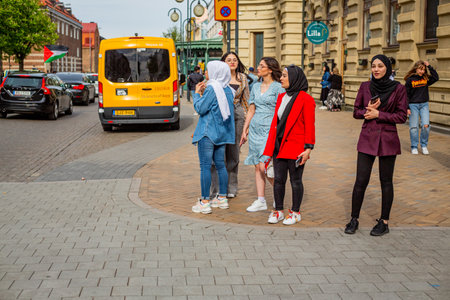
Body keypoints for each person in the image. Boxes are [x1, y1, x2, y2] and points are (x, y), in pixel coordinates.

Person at [345, 54, 408, 236]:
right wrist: (368, 110)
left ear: (387, 68)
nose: (376, 69)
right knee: (360, 181)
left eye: (380, 66)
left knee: (386, 182)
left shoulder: (398, 89)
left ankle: (384, 222)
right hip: (367, 138)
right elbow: (356, 112)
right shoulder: (366, 86)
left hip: (388, 140)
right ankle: (354, 219)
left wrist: (379, 114)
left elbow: (401, 116)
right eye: (373, 66)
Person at [262, 65, 315, 225]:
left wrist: (308, 148)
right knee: (278, 180)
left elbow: (309, 125)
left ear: (294, 78)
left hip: (297, 147)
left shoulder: (306, 99)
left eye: (285, 76)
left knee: (295, 181)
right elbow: (276, 124)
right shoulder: (281, 97)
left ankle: (295, 212)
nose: (281, 78)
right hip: (279, 146)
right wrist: (270, 147)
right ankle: (278, 211)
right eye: (282, 75)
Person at [240, 57, 284, 212]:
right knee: (257, 166)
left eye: (262, 65)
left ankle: (279, 195)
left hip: (269, 130)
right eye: (259, 65)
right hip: (255, 130)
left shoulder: (279, 88)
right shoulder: (256, 86)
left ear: (270, 69)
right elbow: (251, 109)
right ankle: (261, 200)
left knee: (265, 166)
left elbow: (282, 111)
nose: (258, 68)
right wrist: (245, 130)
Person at [191, 61, 235, 214]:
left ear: (215, 72)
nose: (205, 73)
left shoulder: (212, 88)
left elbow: (201, 108)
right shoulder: (228, 90)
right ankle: (222, 198)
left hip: (207, 132)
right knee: (221, 165)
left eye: (208, 70)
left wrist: (196, 94)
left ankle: (204, 202)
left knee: (205, 166)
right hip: (221, 133)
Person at [210, 52, 249, 202]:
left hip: (237, 116)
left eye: (235, 60)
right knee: (219, 153)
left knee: (234, 153)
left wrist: (246, 126)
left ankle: (232, 187)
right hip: (220, 117)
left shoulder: (243, 78)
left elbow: (246, 101)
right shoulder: (218, 77)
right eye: (228, 60)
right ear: (223, 62)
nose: (232, 62)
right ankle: (219, 189)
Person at [404, 60, 439, 155]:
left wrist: (429, 66)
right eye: (420, 69)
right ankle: (414, 146)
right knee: (414, 127)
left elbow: (436, 77)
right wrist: (407, 107)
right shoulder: (410, 80)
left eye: (423, 69)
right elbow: (406, 95)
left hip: (424, 105)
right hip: (413, 105)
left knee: (426, 126)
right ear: (416, 68)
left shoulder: (426, 78)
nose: (422, 71)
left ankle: (424, 145)